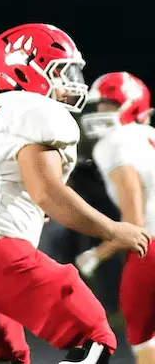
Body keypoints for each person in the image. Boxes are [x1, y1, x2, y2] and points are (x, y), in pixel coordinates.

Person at [0, 23, 151, 364]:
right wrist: (113, 230)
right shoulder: (37, 111)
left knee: (3, 356)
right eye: (60, 71)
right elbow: (48, 194)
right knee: (94, 338)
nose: (71, 82)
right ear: (25, 70)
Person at [76, 72, 155, 364]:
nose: (101, 111)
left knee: (143, 334)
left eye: (110, 104)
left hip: (149, 246)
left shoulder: (114, 143)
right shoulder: (149, 136)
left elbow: (135, 224)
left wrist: (97, 254)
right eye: (100, 105)